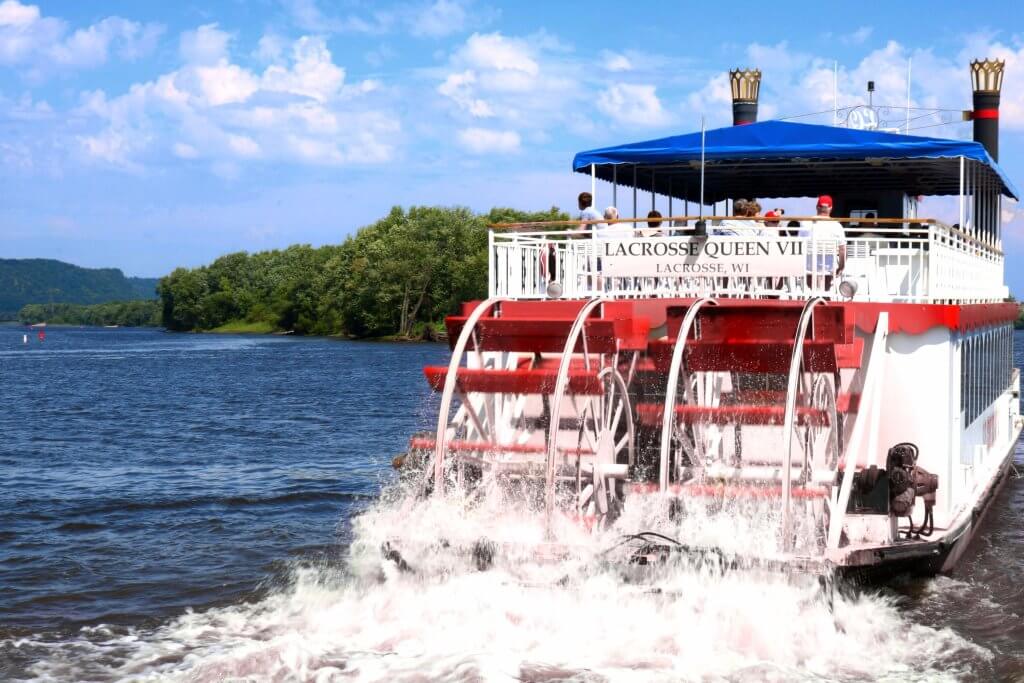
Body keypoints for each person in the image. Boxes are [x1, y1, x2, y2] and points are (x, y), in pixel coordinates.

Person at [798, 194, 846, 291]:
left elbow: (799, 245)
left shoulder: (805, 223)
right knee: (827, 272)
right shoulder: (837, 226)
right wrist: (841, 267)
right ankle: (825, 295)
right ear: (831, 208)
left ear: (817, 207)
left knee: (811, 272)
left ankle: (812, 295)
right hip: (828, 268)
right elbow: (842, 250)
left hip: (808, 267)